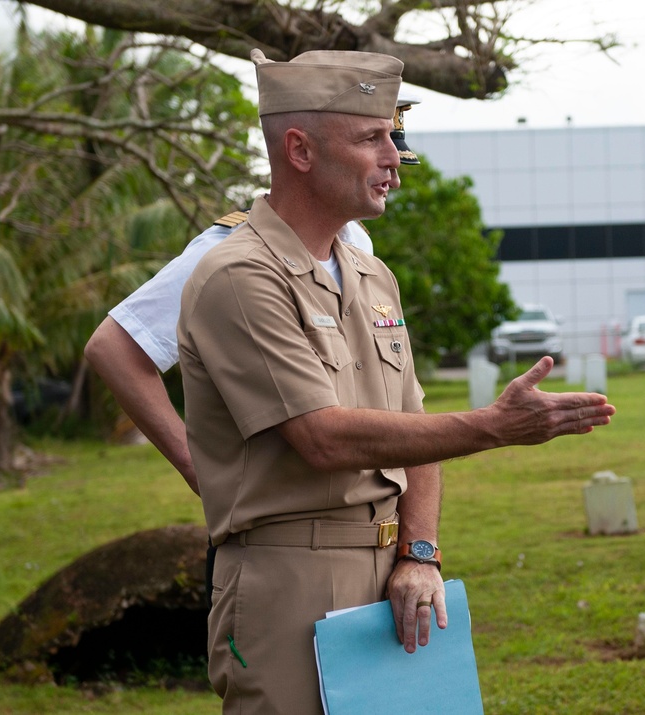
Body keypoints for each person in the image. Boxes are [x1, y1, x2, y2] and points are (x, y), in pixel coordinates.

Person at [177, 48, 615, 714]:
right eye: (372, 137)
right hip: (291, 576)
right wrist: (493, 427)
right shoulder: (240, 276)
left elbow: (414, 431)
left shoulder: (372, 275)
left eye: (394, 136)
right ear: (299, 150)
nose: (395, 156)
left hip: (394, 575)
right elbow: (321, 439)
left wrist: (420, 549)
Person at [84, 93, 422, 496]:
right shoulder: (231, 251)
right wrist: (197, 467)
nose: (394, 170)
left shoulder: (358, 248)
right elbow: (114, 346)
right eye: (369, 141)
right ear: (301, 150)